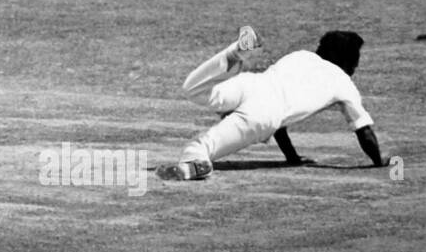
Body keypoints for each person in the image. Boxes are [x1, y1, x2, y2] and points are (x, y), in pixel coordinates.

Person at [158, 27, 388, 181]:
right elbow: (364, 132)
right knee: (199, 147)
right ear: (347, 61)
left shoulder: (301, 56)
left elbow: (282, 126)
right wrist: (379, 162)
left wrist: (292, 158)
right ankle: (195, 166)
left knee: (193, 88)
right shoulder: (343, 84)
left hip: (250, 84)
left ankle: (236, 52)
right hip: (264, 113)